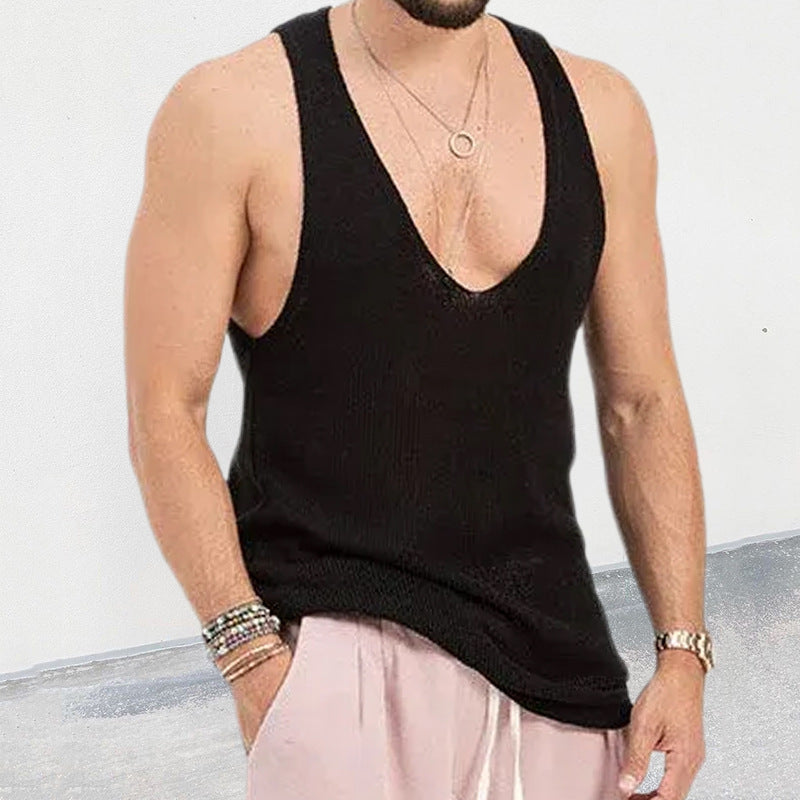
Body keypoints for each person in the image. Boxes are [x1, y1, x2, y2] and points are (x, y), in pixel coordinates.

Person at [124, 1, 713, 798]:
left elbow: (642, 402)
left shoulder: (601, 111)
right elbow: (165, 409)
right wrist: (253, 658)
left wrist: (682, 653)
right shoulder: (234, 111)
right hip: (338, 666)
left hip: (562, 676)